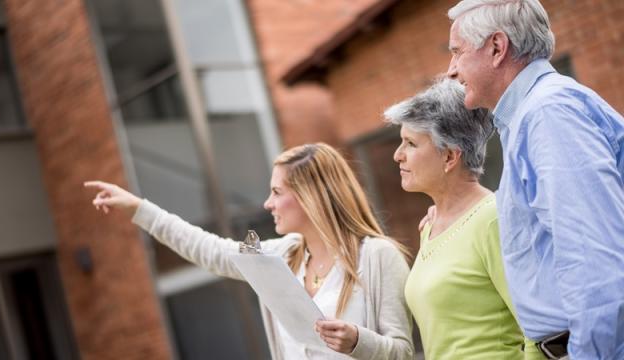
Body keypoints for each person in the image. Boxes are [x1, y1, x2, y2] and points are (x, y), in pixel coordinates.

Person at [84, 143, 414, 360]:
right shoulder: (280, 257)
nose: (267, 204)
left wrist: (358, 342)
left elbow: (402, 352)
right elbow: (209, 249)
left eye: (276, 192)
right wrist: (139, 210)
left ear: (310, 195)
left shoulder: (377, 257)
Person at [444, 1, 624, 359]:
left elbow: (595, 260)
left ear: (497, 47)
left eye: (457, 53)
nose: (451, 70)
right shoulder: (534, 114)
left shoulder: (548, 113)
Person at [385, 78, 541, 359]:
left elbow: (539, 332)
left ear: (449, 157)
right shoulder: (431, 225)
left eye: (410, 144)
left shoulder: (493, 219)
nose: (398, 155)